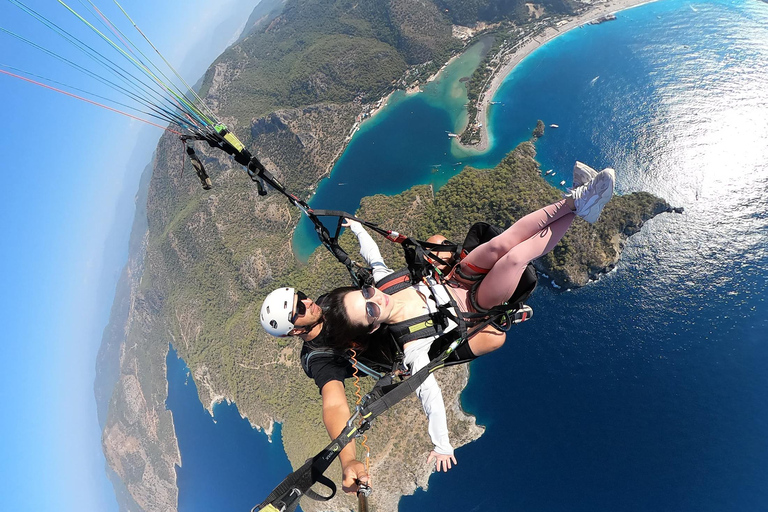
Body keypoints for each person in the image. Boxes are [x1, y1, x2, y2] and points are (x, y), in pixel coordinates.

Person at [321, 162, 615, 471]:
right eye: (370, 309)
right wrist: (442, 444)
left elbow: (374, 258)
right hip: (476, 302)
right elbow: (429, 396)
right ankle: (582, 205)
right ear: (373, 326)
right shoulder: (411, 346)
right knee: (516, 257)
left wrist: (355, 227)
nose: (374, 297)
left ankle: (577, 201)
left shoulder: (384, 287)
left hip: (457, 277)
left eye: (365, 292)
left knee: (502, 242)